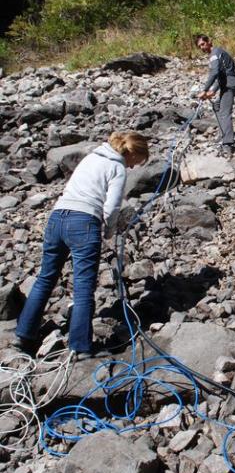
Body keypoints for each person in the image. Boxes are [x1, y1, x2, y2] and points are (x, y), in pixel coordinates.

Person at [13, 132, 149, 358]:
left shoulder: (91, 157)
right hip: (84, 221)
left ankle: (23, 335)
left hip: (57, 218)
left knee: (46, 277)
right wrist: (108, 230)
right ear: (132, 153)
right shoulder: (117, 168)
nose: (135, 167)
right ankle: (80, 347)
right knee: (83, 287)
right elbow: (113, 206)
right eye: (138, 161)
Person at [194, 34, 235, 155]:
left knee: (225, 112)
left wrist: (205, 90)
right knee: (217, 106)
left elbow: (215, 72)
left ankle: (228, 144)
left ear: (209, 41)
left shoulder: (215, 53)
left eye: (203, 44)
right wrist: (213, 91)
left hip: (230, 83)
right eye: (199, 46)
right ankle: (223, 134)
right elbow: (221, 74)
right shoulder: (217, 53)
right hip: (228, 83)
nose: (202, 48)